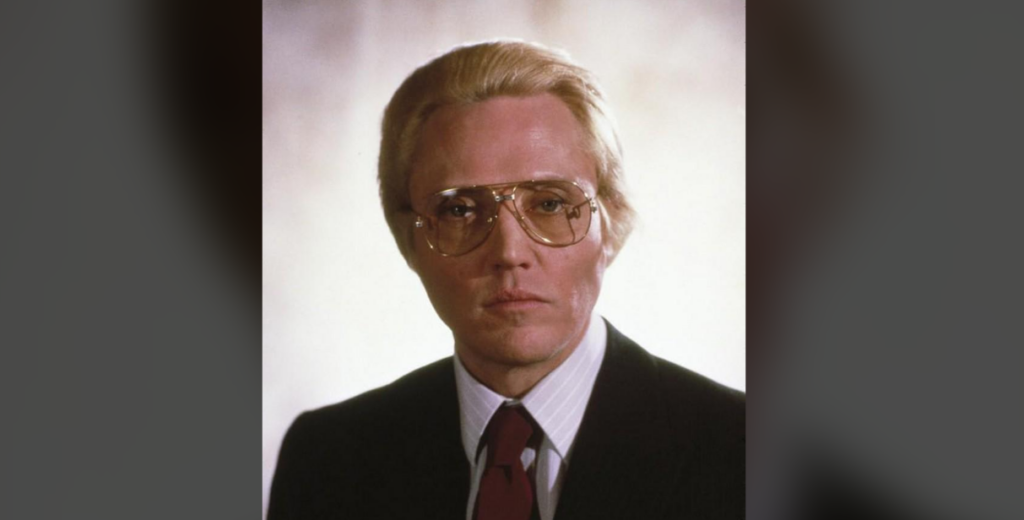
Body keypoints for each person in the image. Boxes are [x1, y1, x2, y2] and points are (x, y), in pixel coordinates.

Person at [267, 40, 744, 520]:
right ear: (408, 242)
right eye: (459, 209)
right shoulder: (328, 459)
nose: (509, 253)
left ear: (612, 223)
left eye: (551, 203)